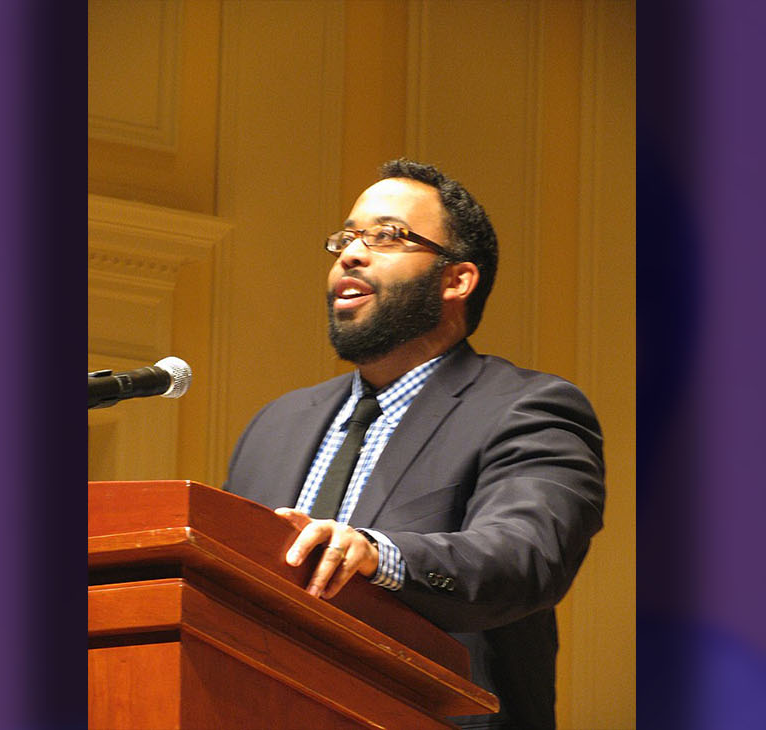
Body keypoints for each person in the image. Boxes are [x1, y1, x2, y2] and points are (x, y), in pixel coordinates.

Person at [223, 159, 605, 730]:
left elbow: (524, 557)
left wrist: (380, 555)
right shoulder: (277, 424)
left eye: (387, 236)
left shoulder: (527, 408)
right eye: (347, 237)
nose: (351, 253)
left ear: (457, 280)